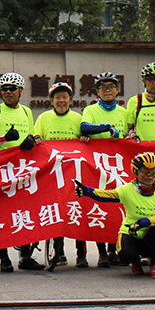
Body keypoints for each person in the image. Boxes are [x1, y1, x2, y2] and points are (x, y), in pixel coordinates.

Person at [34, 80, 118, 270]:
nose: (61, 101)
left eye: (65, 97)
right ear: (51, 100)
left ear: (70, 100)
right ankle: (59, 252)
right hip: (53, 176)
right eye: (57, 97)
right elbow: (38, 141)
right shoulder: (43, 118)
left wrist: (84, 139)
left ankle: (82, 254)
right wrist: (37, 139)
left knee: (79, 210)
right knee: (57, 212)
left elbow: (87, 140)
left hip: (76, 175)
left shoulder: (78, 118)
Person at [0, 72, 43, 272]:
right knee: (3, 214)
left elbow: (32, 136)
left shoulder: (26, 111)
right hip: (2, 170)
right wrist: (4, 138)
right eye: (4, 89)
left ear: (20, 91)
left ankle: (25, 256)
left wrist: (32, 141)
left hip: (23, 170)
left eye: (12, 89)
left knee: (25, 213)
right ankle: (3, 257)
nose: (8, 92)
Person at [76, 151, 155, 279]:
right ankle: (135, 263)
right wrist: (87, 191)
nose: (149, 175)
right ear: (136, 171)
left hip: (150, 234)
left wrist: (144, 222)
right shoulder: (127, 189)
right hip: (131, 232)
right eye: (145, 170)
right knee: (125, 255)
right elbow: (107, 195)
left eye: (153, 171)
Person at [80, 72, 128, 267]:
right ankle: (102, 253)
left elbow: (131, 135)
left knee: (117, 207)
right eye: (103, 87)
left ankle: (113, 249)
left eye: (111, 87)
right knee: (99, 205)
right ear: (97, 91)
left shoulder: (124, 112)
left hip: (119, 167)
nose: (107, 90)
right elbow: (85, 127)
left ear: (117, 90)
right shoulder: (90, 110)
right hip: (96, 166)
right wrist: (107, 127)